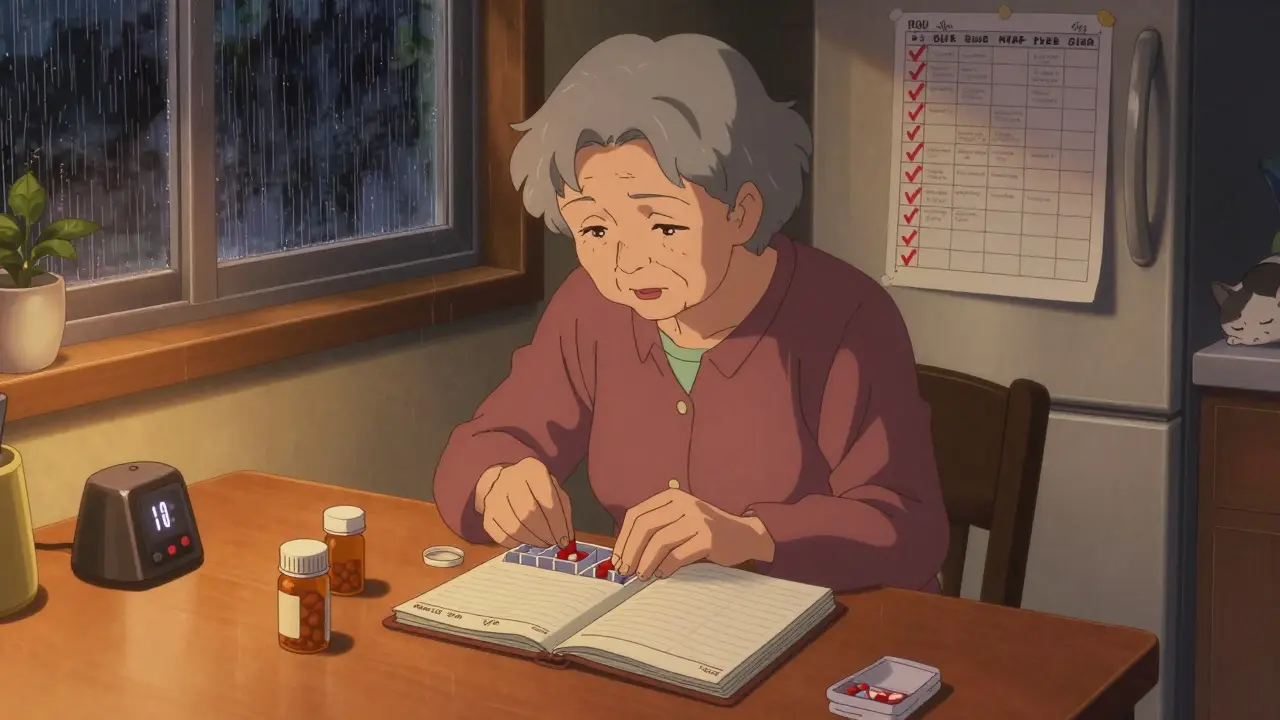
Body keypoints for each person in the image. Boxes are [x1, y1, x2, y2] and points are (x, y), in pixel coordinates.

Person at [433, 33, 948, 593]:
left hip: (826, 637)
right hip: (655, 627)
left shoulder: (847, 318)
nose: (627, 263)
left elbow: (907, 528)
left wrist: (753, 536)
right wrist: (498, 482)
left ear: (743, 213)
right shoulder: (591, 308)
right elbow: (483, 444)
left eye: (665, 225)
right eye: (595, 228)